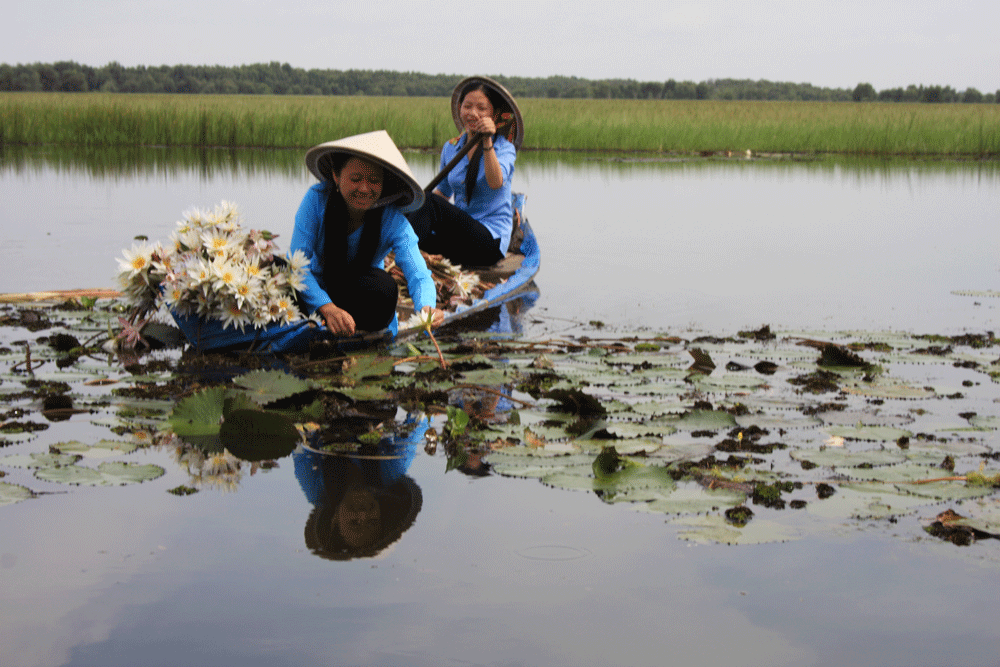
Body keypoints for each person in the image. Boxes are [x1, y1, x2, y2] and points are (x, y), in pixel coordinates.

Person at [291, 130, 444, 336]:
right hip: (316, 294)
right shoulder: (316, 200)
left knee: (384, 289)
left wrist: (426, 307)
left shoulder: (392, 220)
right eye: (355, 178)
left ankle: (355, 331)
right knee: (282, 272)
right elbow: (297, 264)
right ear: (336, 176)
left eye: (373, 180)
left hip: (360, 295)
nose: (364, 188)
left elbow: (418, 273)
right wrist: (328, 308)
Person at [406, 76, 524, 268]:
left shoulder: (504, 148)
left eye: (482, 108)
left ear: (493, 115)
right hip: (461, 239)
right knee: (416, 206)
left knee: (427, 201)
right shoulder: (451, 148)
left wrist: (486, 141)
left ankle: (405, 253)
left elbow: (496, 182)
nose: (473, 113)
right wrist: (412, 210)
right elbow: (442, 194)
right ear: (460, 108)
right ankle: (403, 250)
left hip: (489, 242)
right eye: (467, 106)